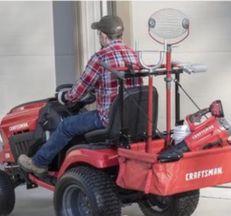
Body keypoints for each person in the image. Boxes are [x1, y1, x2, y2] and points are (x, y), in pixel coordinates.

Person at [18, 15, 143, 175]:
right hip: (130, 119)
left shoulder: (101, 58)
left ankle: (38, 162)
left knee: (66, 126)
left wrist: (64, 97)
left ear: (104, 35)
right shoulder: (134, 55)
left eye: (99, 34)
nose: (99, 37)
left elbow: (78, 91)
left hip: (107, 119)